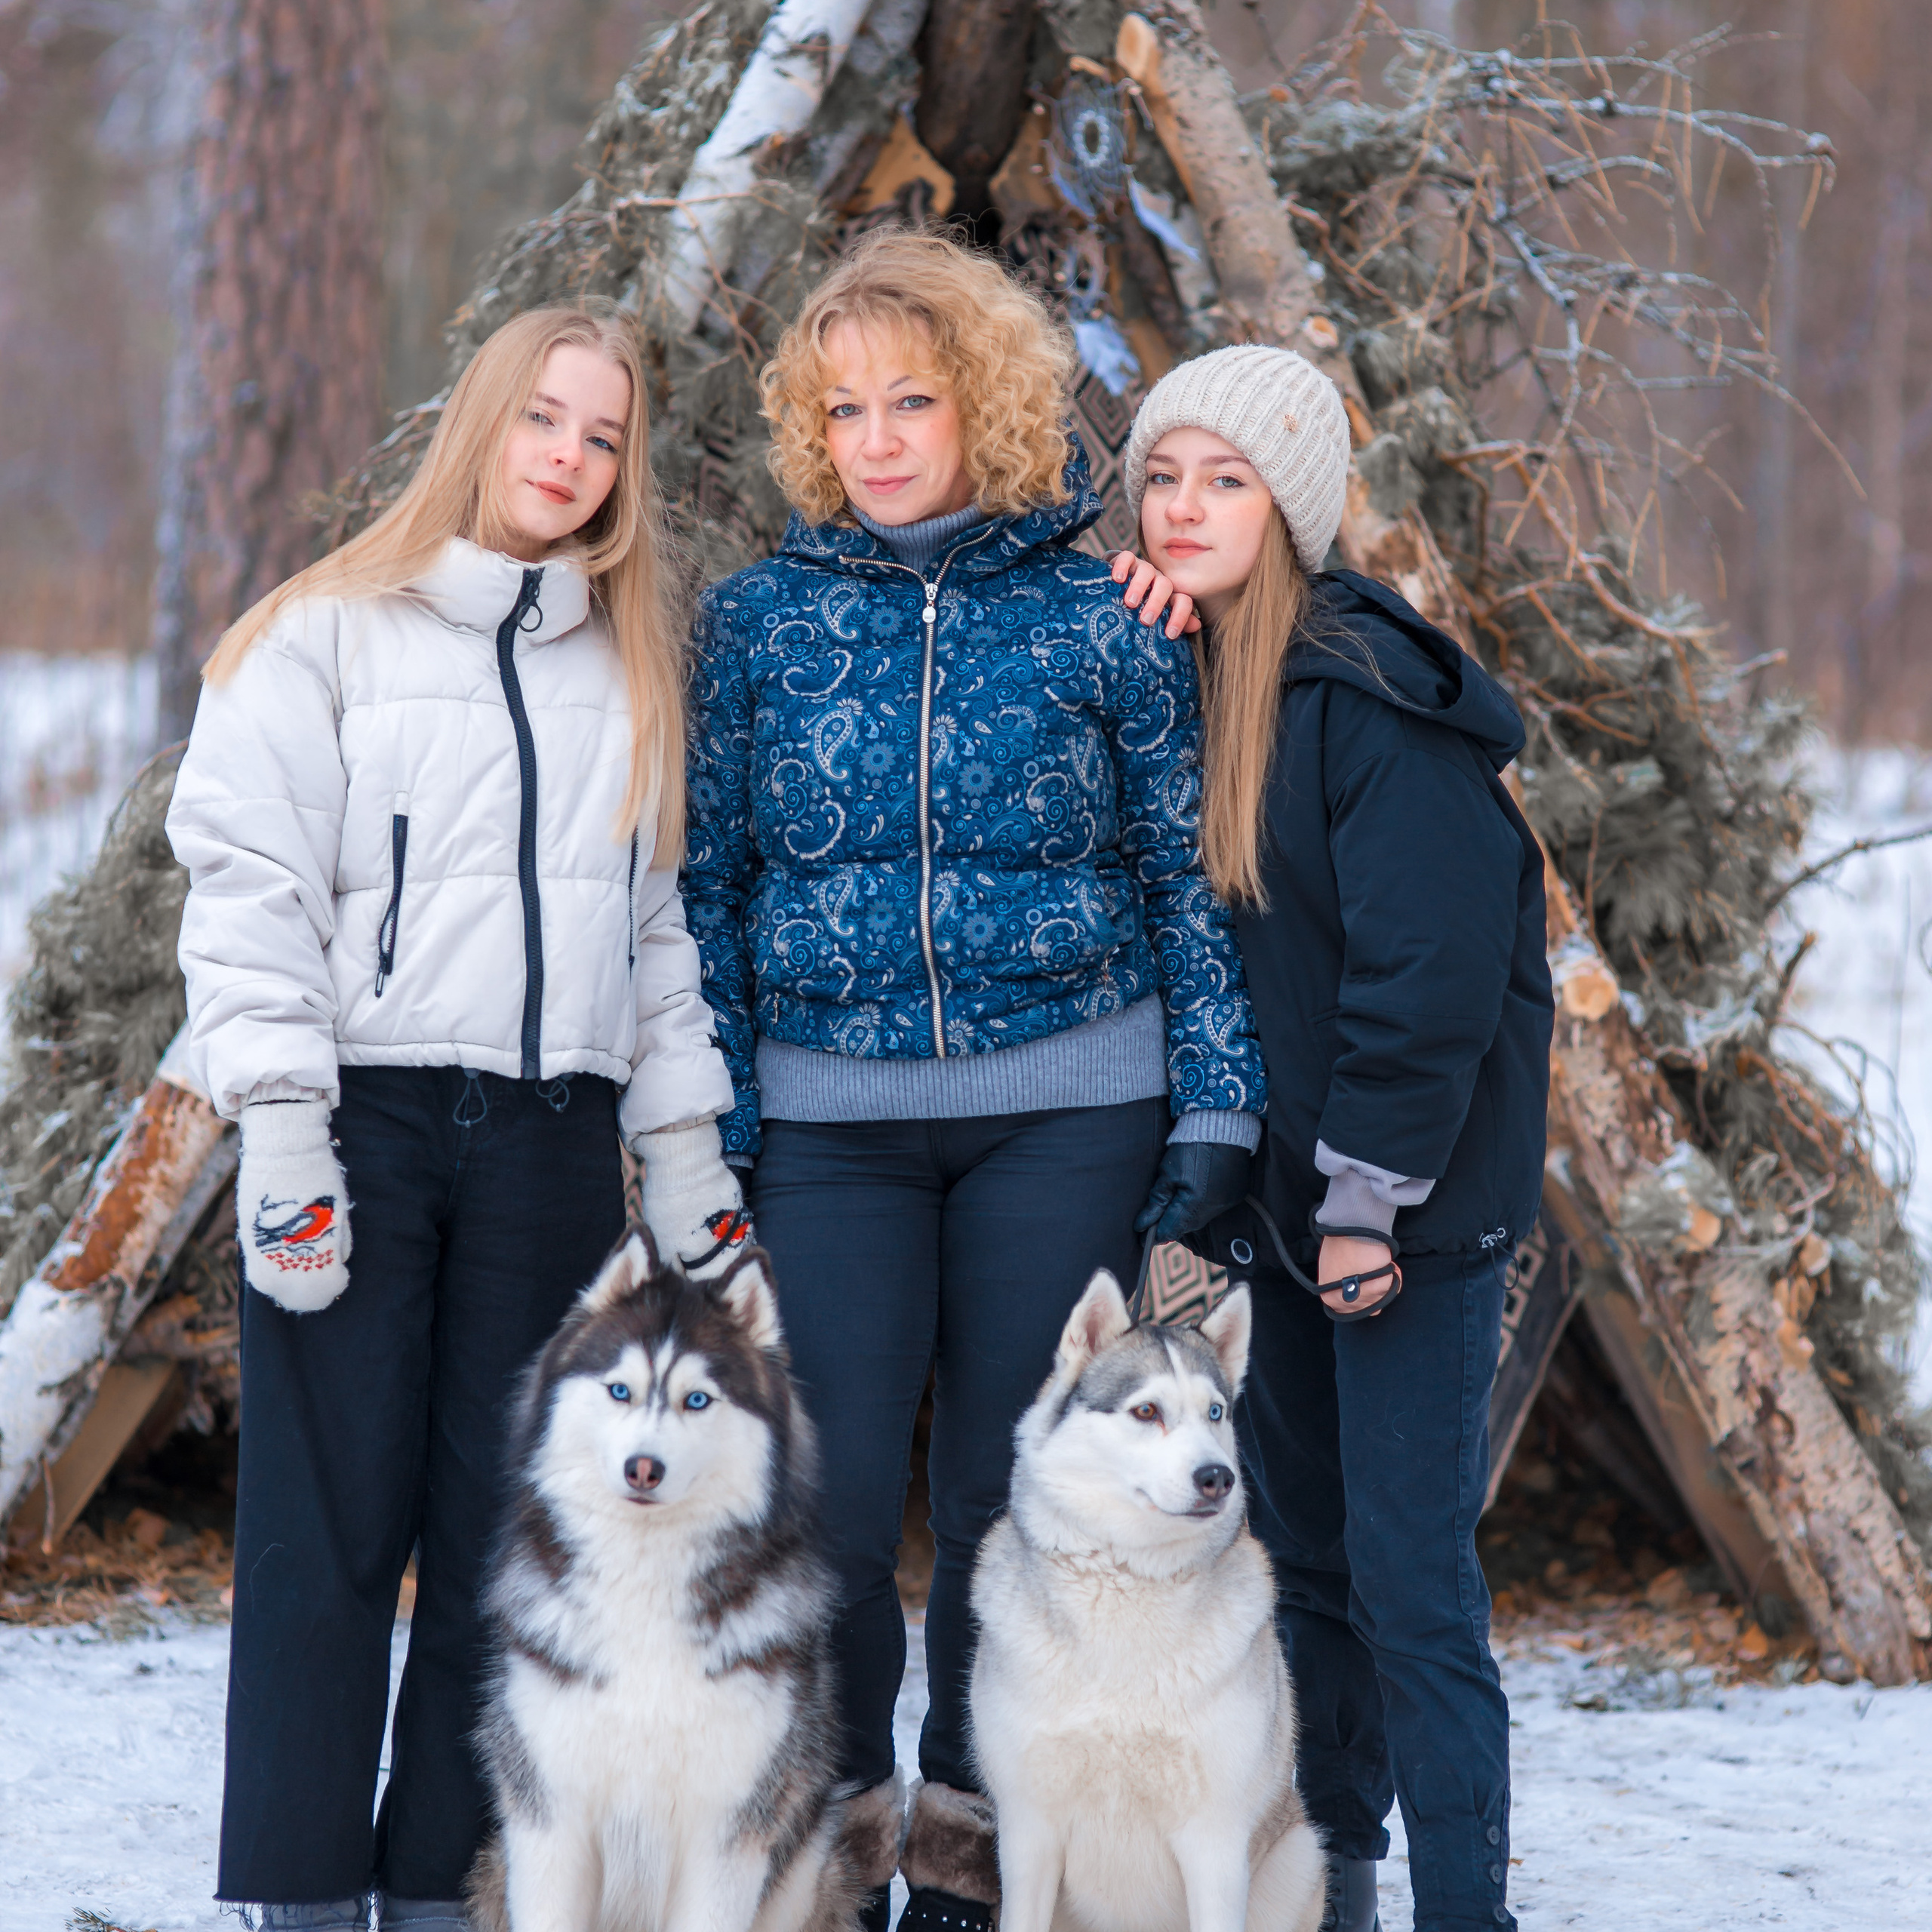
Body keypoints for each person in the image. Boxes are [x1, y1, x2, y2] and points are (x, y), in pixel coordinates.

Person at [682, 229, 1267, 1932]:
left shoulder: (1108, 615)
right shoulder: (756, 623)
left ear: (987, 405)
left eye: (912, 401)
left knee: (1010, 1508)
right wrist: (717, 1125)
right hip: (827, 1127)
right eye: (843, 409)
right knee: (835, 1501)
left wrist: (1216, 1107)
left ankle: (968, 1863)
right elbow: (708, 888)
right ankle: (836, 1854)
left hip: (1067, 1109)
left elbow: (1185, 878)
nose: (875, 439)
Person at [167, 301, 745, 1932]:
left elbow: (651, 937)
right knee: (327, 1522)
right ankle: (300, 1894)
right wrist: (285, 1130)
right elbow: (249, 897)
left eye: (603, 436)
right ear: (481, 419)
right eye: (542, 418)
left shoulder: (628, 664)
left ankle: (442, 1882)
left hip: (554, 1140)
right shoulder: (324, 634)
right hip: (367, 1123)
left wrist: (683, 1156)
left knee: (510, 1533)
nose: (567, 457)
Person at [1122, 344, 1554, 1932]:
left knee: (1409, 1581)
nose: (1184, 507)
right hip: (1286, 1207)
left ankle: (1464, 1907)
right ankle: (1330, 1890)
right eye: (1162, 478)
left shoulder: (1369, 700)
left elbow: (1428, 976)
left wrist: (1364, 1202)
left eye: (1225, 480)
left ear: (1291, 510)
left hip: (1404, 1208)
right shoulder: (1197, 678)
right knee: (1303, 1564)